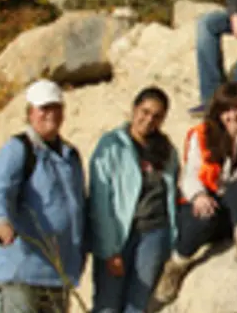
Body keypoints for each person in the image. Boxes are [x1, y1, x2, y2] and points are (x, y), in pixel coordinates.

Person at [155, 83, 237, 303]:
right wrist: (198, 195)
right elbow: (190, 174)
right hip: (204, 204)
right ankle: (176, 265)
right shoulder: (201, 135)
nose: (233, 115)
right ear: (217, 113)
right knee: (204, 217)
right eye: (226, 110)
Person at [0, 79, 86, 313]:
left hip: (57, 274)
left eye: (56, 108)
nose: (50, 114)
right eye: (44, 108)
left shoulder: (70, 156)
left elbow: (78, 205)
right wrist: (2, 222)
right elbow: (0, 192)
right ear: (30, 113)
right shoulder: (18, 149)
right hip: (21, 273)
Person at [88, 87, 180, 313]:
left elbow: (172, 193)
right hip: (119, 234)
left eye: (156, 116)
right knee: (107, 304)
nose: (148, 120)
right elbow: (101, 201)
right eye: (145, 111)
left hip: (154, 234)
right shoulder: (111, 145)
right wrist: (110, 249)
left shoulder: (166, 150)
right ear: (134, 109)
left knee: (137, 304)